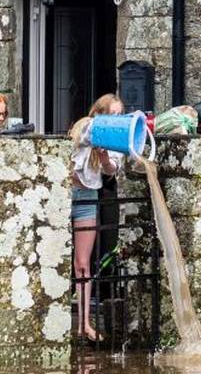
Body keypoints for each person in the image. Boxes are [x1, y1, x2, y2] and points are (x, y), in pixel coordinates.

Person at [69, 93, 124, 342]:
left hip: (87, 197)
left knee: (83, 262)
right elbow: (79, 139)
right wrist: (99, 134)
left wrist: (103, 157)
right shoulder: (85, 126)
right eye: (113, 115)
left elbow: (111, 169)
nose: (118, 119)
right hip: (66, 192)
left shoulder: (117, 140)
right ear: (100, 114)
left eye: (120, 115)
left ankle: (84, 324)